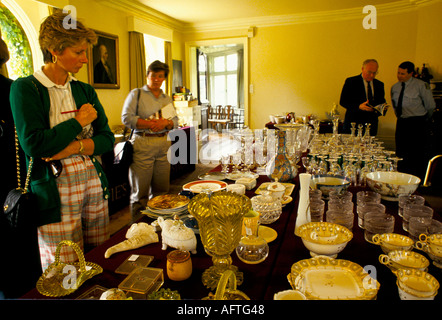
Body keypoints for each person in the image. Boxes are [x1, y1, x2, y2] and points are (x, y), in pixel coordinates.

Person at [9, 12, 115, 272]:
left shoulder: (83, 89)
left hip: (92, 181)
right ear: (55, 50)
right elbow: (34, 144)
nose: (85, 58)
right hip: (54, 191)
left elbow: (107, 139)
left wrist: (70, 147)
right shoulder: (26, 88)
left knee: (99, 255)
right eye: (78, 52)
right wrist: (78, 122)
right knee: (65, 267)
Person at [121, 60, 178, 221]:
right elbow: (126, 118)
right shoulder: (136, 94)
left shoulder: (166, 99)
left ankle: (159, 224)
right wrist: (150, 124)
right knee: (140, 193)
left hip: (163, 145)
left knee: (162, 190)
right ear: (147, 75)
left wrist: (165, 123)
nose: (156, 79)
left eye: (160, 76)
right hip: (142, 143)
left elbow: (175, 122)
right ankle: (138, 228)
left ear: (164, 78)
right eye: (153, 75)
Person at [391, 61, 436, 180]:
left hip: (417, 123)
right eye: (398, 72)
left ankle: (416, 181)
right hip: (402, 122)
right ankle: (401, 179)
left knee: (416, 155)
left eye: (403, 74)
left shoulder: (421, 85)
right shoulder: (395, 87)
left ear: (411, 73)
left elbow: (430, 106)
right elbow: (395, 106)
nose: (399, 75)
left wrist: (424, 119)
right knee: (401, 152)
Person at [340, 59, 386, 136]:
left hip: (371, 125)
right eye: (369, 72)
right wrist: (359, 106)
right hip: (353, 124)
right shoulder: (351, 81)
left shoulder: (379, 84)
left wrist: (382, 108)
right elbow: (343, 101)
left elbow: (381, 101)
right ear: (362, 69)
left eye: (374, 73)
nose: (372, 75)